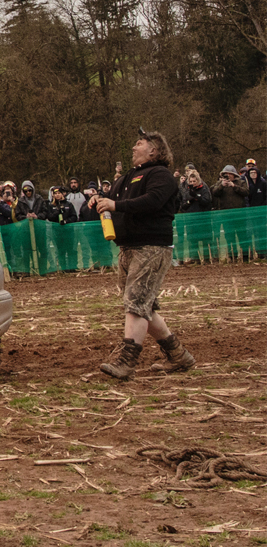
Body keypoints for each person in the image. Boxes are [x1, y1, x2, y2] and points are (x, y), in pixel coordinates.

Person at [90, 129, 195, 381]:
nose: (134, 146)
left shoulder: (161, 175)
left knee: (136, 303)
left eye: (140, 143)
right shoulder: (126, 177)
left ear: (154, 150)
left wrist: (115, 205)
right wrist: (99, 200)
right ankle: (178, 355)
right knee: (144, 305)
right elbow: (112, 201)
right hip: (127, 248)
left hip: (151, 246)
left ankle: (127, 361)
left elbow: (153, 201)